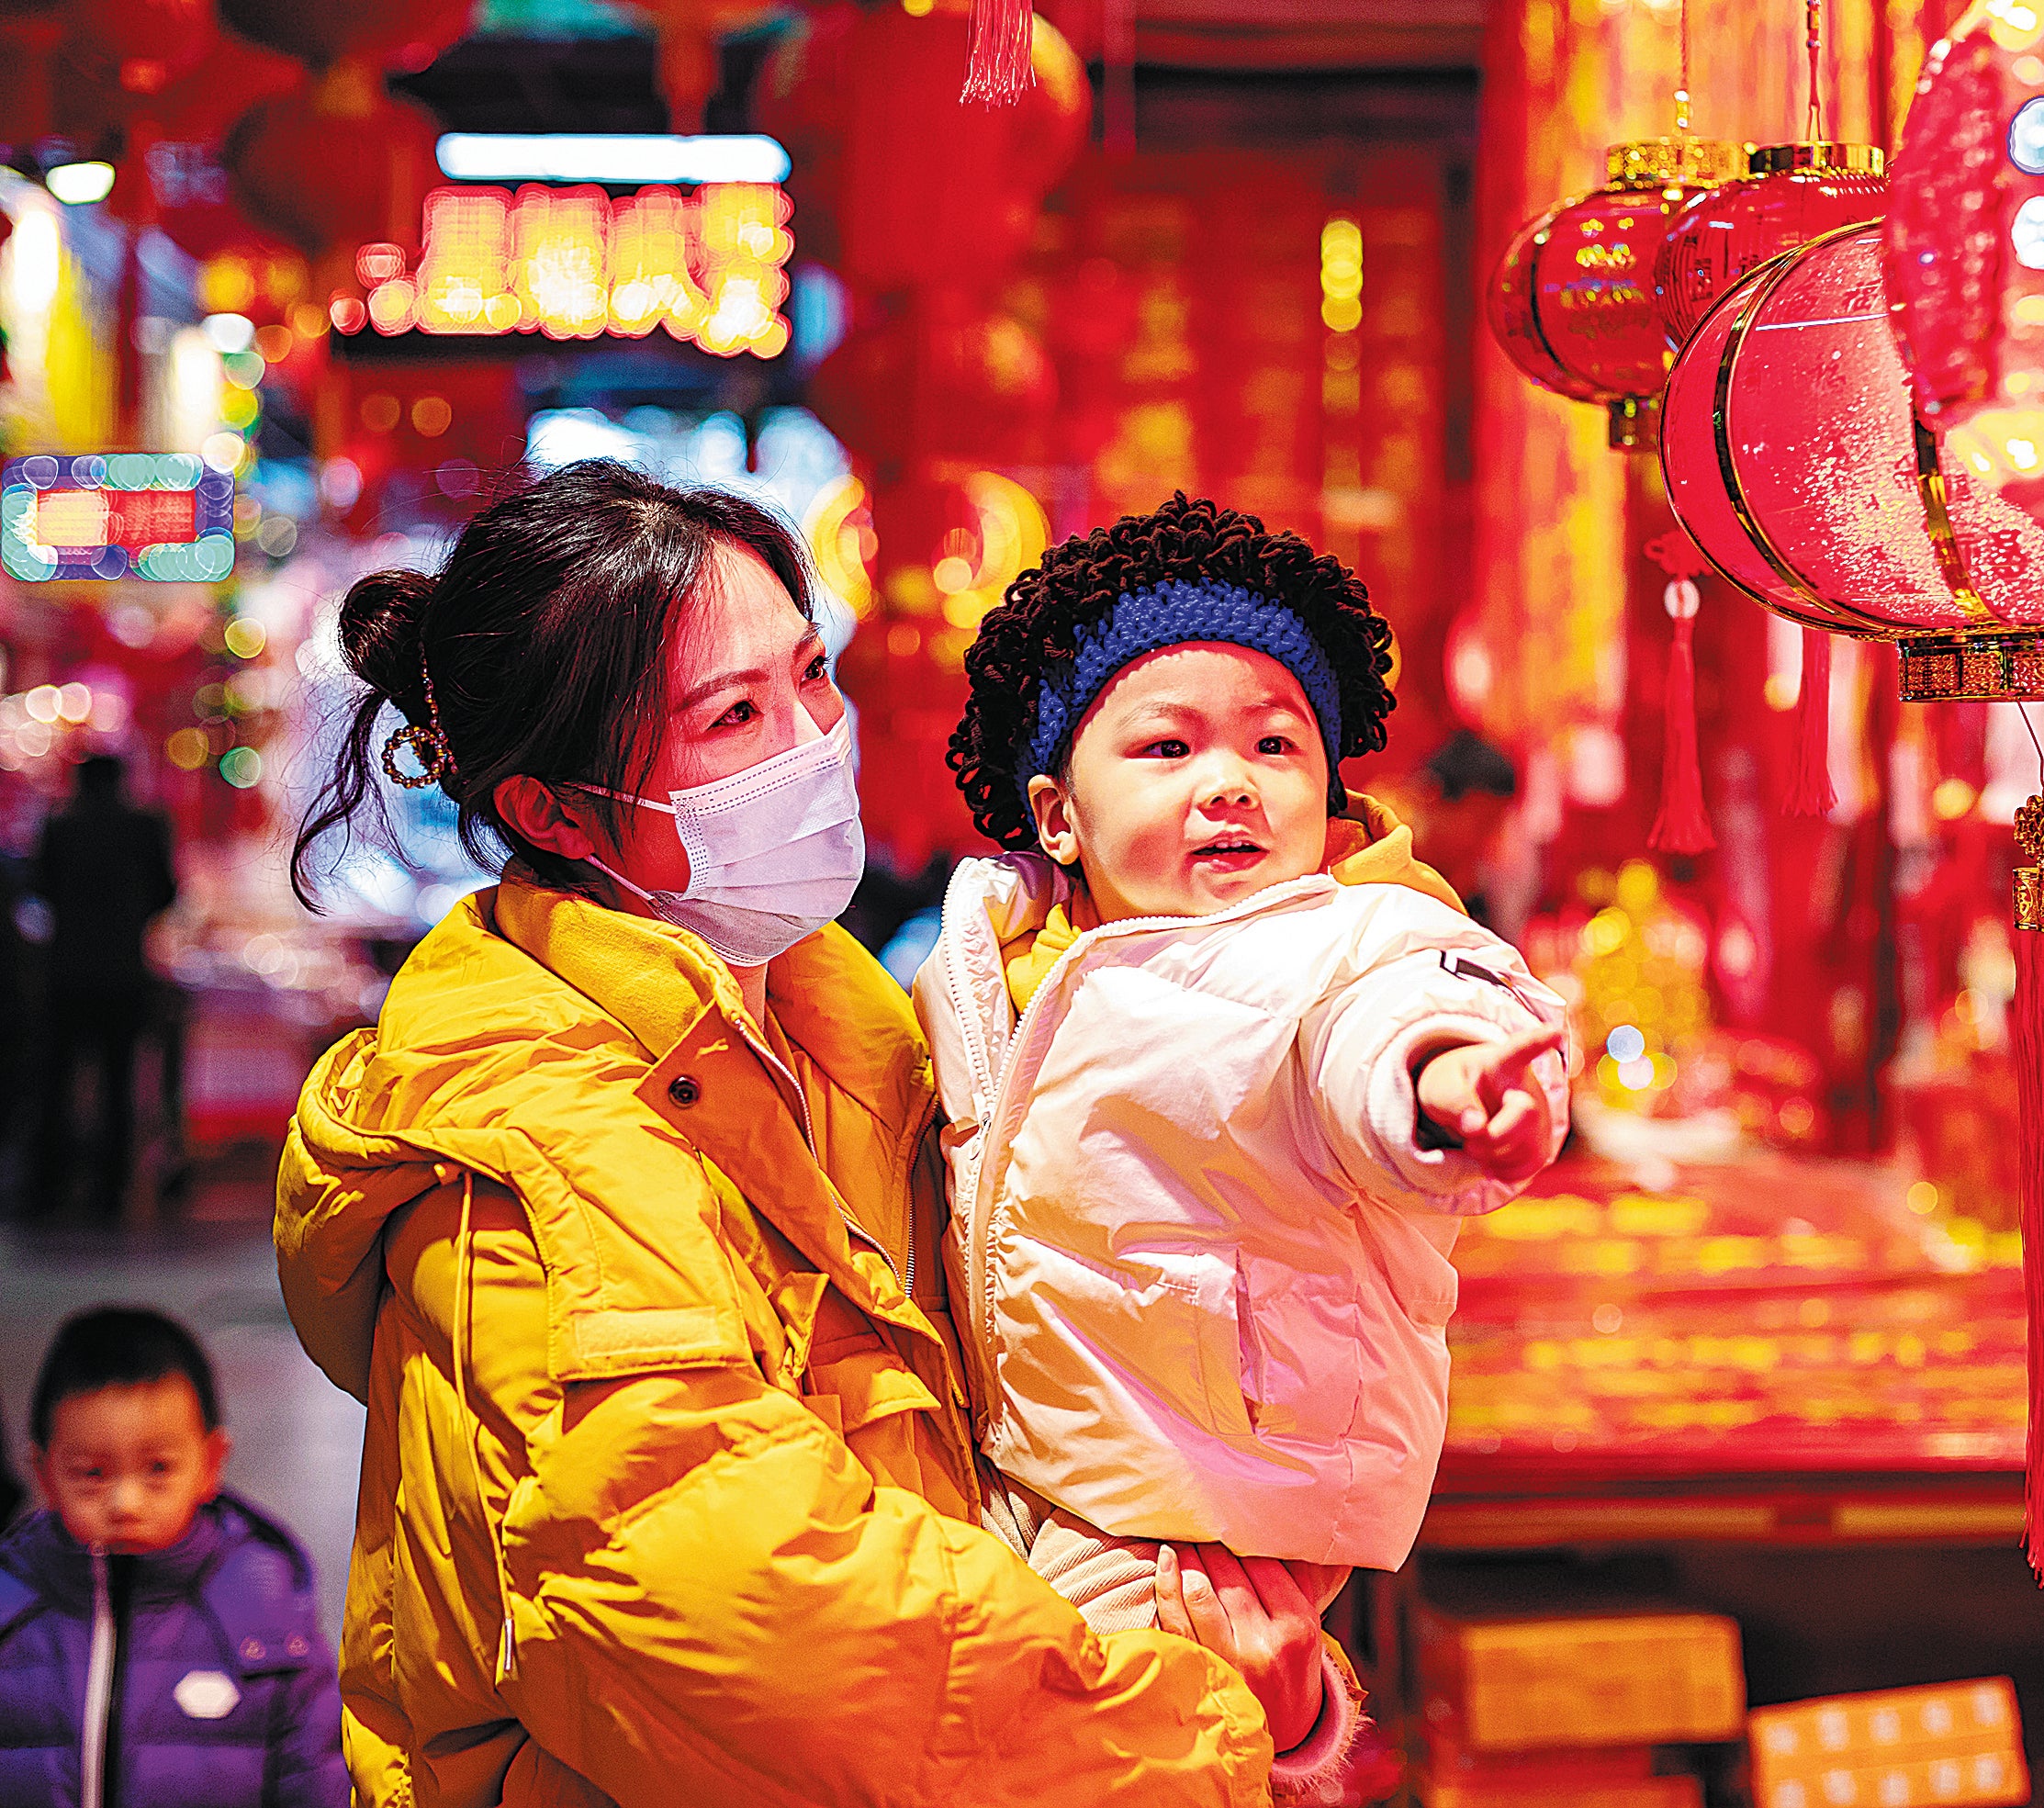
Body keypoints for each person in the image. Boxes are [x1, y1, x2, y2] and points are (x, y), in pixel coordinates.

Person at [275, 460, 1336, 1808]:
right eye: (733, 715)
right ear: (552, 810)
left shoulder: (849, 1031)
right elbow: (765, 1620)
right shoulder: (524, 1150)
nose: (809, 739)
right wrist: (1206, 1722)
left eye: (809, 675)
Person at [924, 495, 1572, 1654]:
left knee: (1094, 1740)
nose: (1229, 782)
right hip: (1036, 1461)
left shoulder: (1341, 939)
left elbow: (1384, 1022)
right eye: (1168, 748)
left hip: (1215, 1502)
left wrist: (1446, 1085)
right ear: (1057, 816)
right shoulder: (997, 960)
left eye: (1275, 745)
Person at [0, 1306, 346, 1807]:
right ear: (43, 1471)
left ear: (210, 1464)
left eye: (158, 1468)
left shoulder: (263, 1617)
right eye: (91, 1473)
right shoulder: (12, 1608)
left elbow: (316, 1778)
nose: (126, 1503)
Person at [33, 755, 177, 1220]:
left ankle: (50, 1188)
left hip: (67, 972)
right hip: (123, 973)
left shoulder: (61, 827)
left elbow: (40, 889)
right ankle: (110, 1192)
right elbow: (167, 893)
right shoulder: (143, 828)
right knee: (119, 1084)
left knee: (56, 1082)